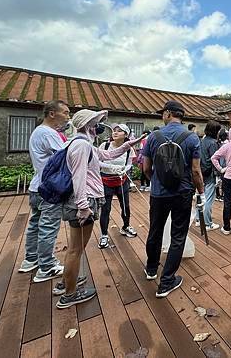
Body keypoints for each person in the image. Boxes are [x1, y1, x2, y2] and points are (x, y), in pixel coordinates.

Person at [58, 109, 144, 308]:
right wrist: (82, 206)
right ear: (87, 125)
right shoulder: (81, 145)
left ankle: (66, 283)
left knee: (74, 249)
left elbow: (105, 154)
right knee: (76, 250)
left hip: (84, 199)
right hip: (84, 200)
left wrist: (128, 145)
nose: (100, 127)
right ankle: (69, 294)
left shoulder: (83, 143)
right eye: (96, 123)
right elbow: (78, 177)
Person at [142, 100, 203, 298]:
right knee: (178, 235)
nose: (162, 116)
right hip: (182, 193)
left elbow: (145, 168)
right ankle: (167, 281)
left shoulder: (153, 136)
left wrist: (157, 181)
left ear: (169, 114)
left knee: (155, 230)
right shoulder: (192, 137)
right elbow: (195, 170)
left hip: (158, 194)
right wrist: (200, 191)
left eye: (163, 113)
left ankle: (151, 269)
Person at [19, 100, 70, 282]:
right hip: (50, 189)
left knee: (35, 224)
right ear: (52, 113)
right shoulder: (49, 133)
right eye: (65, 112)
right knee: (48, 226)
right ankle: (46, 266)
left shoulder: (38, 131)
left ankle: (31, 259)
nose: (67, 116)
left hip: (37, 186)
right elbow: (66, 156)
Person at [98, 124, 138, 249]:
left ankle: (125, 227)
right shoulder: (104, 146)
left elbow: (129, 164)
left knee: (125, 206)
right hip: (106, 181)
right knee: (106, 209)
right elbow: (97, 161)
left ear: (126, 135)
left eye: (119, 131)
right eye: (114, 130)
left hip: (122, 181)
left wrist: (124, 169)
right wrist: (111, 167)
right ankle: (104, 235)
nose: (115, 132)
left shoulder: (128, 149)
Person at [197, 120, 222, 231]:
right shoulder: (213, 143)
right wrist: (219, 174)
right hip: (210, 172)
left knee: (201, 196)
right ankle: (207, 223)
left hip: (201, 171)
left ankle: (199, 219)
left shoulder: (202, 141)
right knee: (209, 198)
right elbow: (215, 160)